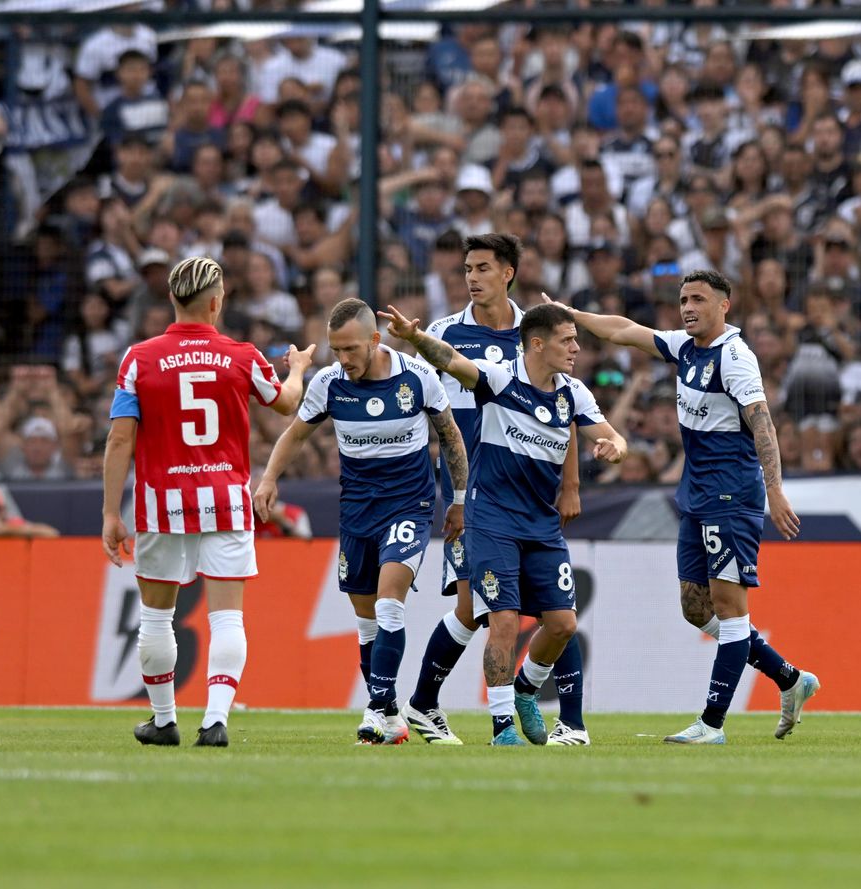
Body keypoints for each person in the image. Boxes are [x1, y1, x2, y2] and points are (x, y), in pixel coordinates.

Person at [553, 270, 821, 745]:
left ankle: (712, 724)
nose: (688, 307)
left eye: (698, 299)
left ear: (725, 306)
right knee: (695, 608)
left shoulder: (735, 358)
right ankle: (789, 677)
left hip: (730, 495)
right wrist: (572, 315)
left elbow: (764, 426)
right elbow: (624, 330)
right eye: (683, 299)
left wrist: (775, 490)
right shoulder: (685, 347)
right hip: (695, 495)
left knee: (731, 609)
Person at [381, 301, 627, 745]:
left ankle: (525, 689)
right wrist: (415, 338)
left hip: (541, 524)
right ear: (537, 344)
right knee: (503, 620)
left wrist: (616, 447)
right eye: (567, 340)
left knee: (563, 624)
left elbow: (613, 435)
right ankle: (502, 729)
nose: (576, 348)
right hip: (490, 519)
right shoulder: (499, 379)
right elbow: (451, 360)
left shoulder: (573, 393)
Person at [101, 257, 314, 748]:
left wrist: (112, 512)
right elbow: (285, 402)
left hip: (161, 504)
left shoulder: (139, 359)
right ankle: (216, 719)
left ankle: (163, 719)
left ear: (172, 299)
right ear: (216, 301)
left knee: (156, 617)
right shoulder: (241, 356)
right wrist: (299, 368)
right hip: (226, 501)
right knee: (227, 618)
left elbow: (119, 441)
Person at [401, 233, 594, 747]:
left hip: (530, 497)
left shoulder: (535, 334)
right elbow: (431, 414)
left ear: (508, 272)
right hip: (474, 495)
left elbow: (564, 411)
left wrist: (570, 483)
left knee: (540, 610)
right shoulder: (445, 333)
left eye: (483, 267)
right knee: (480, 608)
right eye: (467, 268)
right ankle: (432, 706)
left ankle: (567, 721)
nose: (471, 277)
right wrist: (449, 493)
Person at [254, 298, 467, 746]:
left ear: (374, 340)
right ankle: (390, 715)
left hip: (408, 505)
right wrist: (269, 478)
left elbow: (450, 435)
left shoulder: (417, 376)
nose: (343, 359)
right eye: (337, 350)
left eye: (351, 349)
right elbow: (295, 433)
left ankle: (374, 710)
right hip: (356, 511)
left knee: (391, 602)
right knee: (367, 621)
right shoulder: (329, 384)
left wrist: (460, 499)